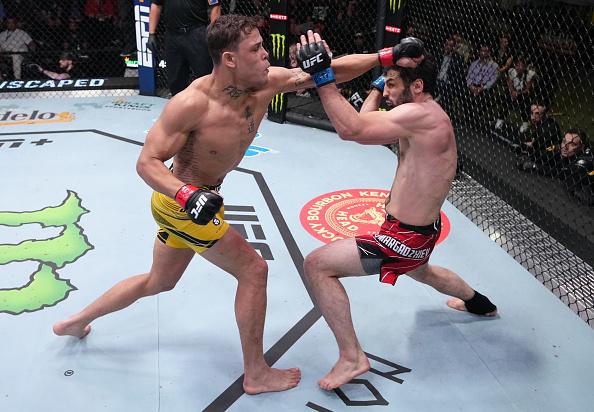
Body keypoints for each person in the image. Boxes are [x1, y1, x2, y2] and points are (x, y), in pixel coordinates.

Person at [52, 15, 386, 395]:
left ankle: (76, 321)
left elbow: (328, 73)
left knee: (159, 281)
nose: (266, 55)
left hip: (200, 201)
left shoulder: (264, 84)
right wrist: (187, 195)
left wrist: (385, 56)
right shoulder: (192, 103)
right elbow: (147, 162)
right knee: (254, 270)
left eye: (263, 47)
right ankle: (256, 373)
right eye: (256, 49)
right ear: (229, 59)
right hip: (182, 203)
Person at [295, 32, 497, 391]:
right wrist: (379, 83)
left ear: (416, 86)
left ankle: (352, 356)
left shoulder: (422, 117)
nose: (387, 93)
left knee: (317, 266)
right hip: (420, 231)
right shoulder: (421, 111)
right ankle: (480, 304)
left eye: (392, 86)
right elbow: (367, 117)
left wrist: (324, 79)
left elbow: (352, 129)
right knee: (424, 272)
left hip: (402, 236)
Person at [147, 0, 220, 96]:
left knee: (205, 75)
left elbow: (215, 6)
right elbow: (156, 5)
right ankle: (179, 106)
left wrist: (213, 33)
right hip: (172, 34)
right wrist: (151, 33)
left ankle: (209, 106)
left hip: (196, 32)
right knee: (175, 78)